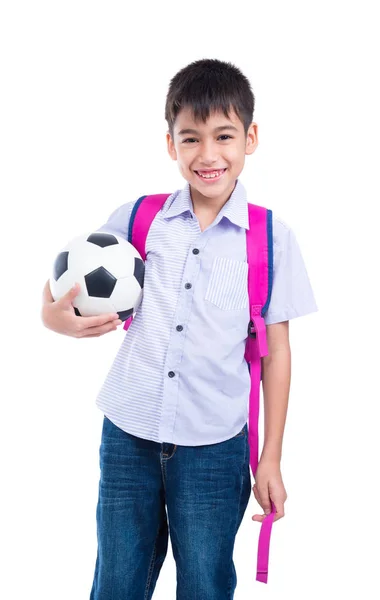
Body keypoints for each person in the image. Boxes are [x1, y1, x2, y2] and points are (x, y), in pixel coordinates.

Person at [41, 58, 318, 600]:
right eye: (190, 139)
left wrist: (272, 457)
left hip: (214, 447)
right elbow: (67, 277)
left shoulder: (270, 239)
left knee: (206, 583)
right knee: (118, 582)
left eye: (224, 136)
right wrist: (49, 314)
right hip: (127, 433)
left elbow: (276, 354)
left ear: (250, 138)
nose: (208, 155)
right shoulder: (138, 218)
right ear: (171, 144)